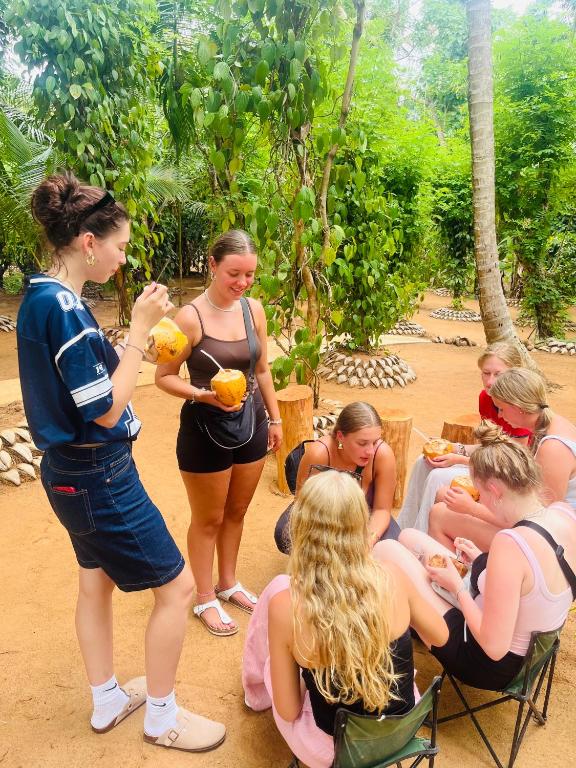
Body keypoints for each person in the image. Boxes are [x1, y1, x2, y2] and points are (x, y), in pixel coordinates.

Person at [16, 172, 224, 751]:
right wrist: (136, 333)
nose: (123, 257)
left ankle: (107, 698)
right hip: (98, 475)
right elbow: (106, 409)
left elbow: (86, 385)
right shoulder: (62, 308)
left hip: (68, 474)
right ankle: (161, 717)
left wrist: (133, 345)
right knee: (179, 589)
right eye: (121, 245)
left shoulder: (43, 297)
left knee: (95, 583)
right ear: (89, 242)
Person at [242, 471, 448, 768]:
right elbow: (440, 636)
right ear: (361, 524)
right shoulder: (391, 576)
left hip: (335, 751)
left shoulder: (287, 606)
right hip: (401, 730)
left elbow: (288, 711)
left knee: (275, 660)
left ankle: (255, 692)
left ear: (301, 527)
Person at [375, 421, 576, 691]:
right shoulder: (564, 514)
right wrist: (480, 561)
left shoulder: (510, 544)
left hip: (486, 662)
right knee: (408, 537)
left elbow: (493, 647)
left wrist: (457, 588)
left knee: (385, 550)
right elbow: (531, 584)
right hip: (530, 654)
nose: (480, 501)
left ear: (495, 490)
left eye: (479, 494)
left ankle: (391, 646)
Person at [155, 230, 282, 637]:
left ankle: (228, 583)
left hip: (252, 422)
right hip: (204, 428)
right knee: (208, 518)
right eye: (234, 274)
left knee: (237, 512)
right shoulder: (189, 318)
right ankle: (205, 596)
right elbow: (164, 376)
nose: (243, 283)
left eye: (249, 275)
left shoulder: (254, 310)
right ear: (212, 265)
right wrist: (203, 395)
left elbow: (262, 370)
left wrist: (276, 419)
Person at [429, 368, 576, 551]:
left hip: (553, 543)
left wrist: (472, 508)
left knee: (439, 515)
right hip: (538, 524)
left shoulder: (553, 448)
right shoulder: (552, 423)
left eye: (501, 408)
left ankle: (469, 569)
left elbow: (539, 521)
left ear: (518, 407)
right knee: (445, 494)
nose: (499, 415)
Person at [397, 342, 531, 533]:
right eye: (486, 373)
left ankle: (421, 535)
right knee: (422, 463)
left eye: (498, 374)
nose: (490, 381)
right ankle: (403, 528)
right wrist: (453, 447)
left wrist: (459, 459)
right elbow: (491, 447)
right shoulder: (485, 398)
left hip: (509, 474)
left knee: (437, 477)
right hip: (489, 463)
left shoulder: (519, 405)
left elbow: (511, 460)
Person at [274, 401, 399, 554]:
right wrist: (329, 541)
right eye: (362, 443)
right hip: (323, 518)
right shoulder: (319, 454)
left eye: (375, 442)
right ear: (340, 436)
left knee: (390, 545)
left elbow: (382, 510)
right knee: (285, 533)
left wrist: (367, 542)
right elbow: (303, 506)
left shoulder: (382, 454)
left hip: (366, 516)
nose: (370, 451)